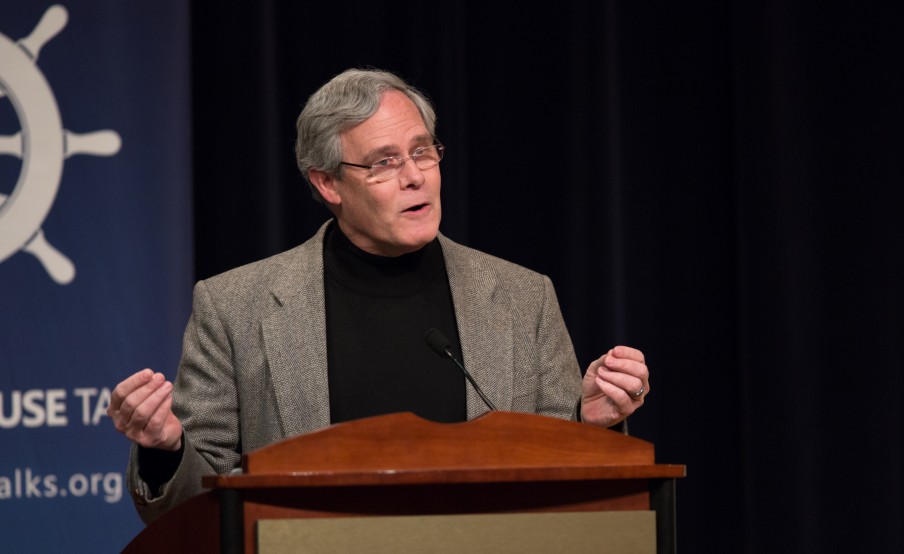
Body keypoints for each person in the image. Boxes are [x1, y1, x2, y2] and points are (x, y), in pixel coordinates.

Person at [109, 68, 650, 524]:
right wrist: (165, 450)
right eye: (385, 162)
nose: (415, 177)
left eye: (423, 152)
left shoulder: (521, 297)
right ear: (327, 184)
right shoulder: (235, 307)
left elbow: (562, 481)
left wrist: (592, 425)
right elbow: (194, 508)